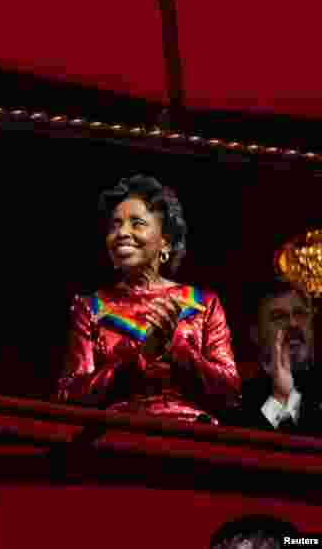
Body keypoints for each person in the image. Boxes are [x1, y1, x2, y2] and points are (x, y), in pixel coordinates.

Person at [56, 175, 240, 422]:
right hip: (118, 439)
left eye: (137, 223)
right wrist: (137, 359)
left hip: (194, 439)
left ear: (165, 241)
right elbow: (70, 396)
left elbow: (231, 392)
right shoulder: (90, 307)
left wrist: (176, 350)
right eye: (115, 225)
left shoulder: (203, 303)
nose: (122, 232)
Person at [225, 279, 320, 434]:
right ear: (256, 334)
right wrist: (280, 399)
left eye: (300, 314)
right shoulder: (236, 398)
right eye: (279, 317)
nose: (293, 324)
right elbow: (248, 448)